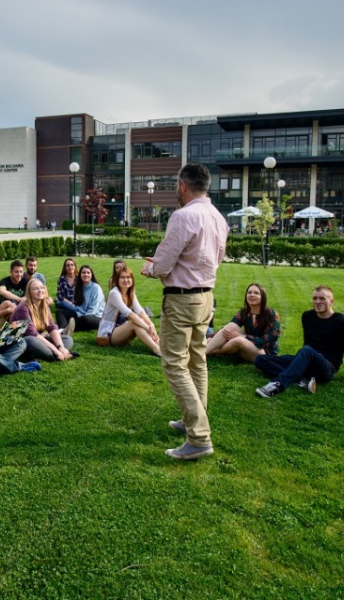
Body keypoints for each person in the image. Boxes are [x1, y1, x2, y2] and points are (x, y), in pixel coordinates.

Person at [140, 163, 228, 461]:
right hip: (206, 297)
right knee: (196, 362)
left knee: (175, 364)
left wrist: (151, 268)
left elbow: (163, 265)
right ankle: (194, 419)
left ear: (182, 186)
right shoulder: (218, 218)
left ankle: (199, 436)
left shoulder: (183, 216)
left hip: (181, 299)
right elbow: (216, 259)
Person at [254, 285, 344, 397]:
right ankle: (302, 380)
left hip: (326, 368)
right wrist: (300, 362)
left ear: (331, 301)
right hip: (307, 358)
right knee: (261, 359)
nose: (317, 302)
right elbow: (308, 342)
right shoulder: (307, 316)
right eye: (315, 298)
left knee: (307, 350)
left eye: (322, 299)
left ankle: (278, 385)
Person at [206, 283, 280, 362]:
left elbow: (266, 341)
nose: (252, 295)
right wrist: (212, 337)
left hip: (265, 353)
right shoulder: (244, 312)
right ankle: (205, 351)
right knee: (231, 326)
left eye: (256, 293)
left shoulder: (271, 314)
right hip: (247, 345)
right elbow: (228, 328)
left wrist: (242, 336)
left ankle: (210, 351)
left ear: (263, 297)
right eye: (249, 292)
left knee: (239, 340)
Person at [99, 267, 160, 356]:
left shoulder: (130, 292)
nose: (126, 280)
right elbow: (129, 314)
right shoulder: (114, 293)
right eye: (122, 277)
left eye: (128, 277)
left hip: (121, 331)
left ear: (132, 280)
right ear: (117, 280)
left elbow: (140, 311)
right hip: (107, 334)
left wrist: (151, 324)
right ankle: (157, 350)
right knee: (135, 323)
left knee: (141, 320)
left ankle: (159, 344)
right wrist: (148, 328)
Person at [10, 279, 74, 362]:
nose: (40, 290)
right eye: (35, 289)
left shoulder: (44, 306)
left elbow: (51, 327)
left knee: (68, 339)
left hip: (38, 338)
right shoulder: (23, 308)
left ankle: (46, 353)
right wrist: (56, 350)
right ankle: (53, 354)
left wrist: (60, 346)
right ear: (29, 292)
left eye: (42, 287)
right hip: (21, 341)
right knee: (31, 340)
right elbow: (33, 334)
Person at [56, 265, 105, 332]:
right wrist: (78, 314)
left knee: (85, 319)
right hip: (81, 312)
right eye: (83, 272)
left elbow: (94, 310)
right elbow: (78, 305)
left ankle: (68, 329)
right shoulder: (79, 287)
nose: (86, 274)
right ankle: (62, 329)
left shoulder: (96, 288)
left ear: (91, 275)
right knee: (59, 312)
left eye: (88, 273)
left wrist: (80, 317)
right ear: (80, 275)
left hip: (95, 316)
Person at [55, 258, 78, 328]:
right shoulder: (61, 279)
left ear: (75, 266)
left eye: (72, 265)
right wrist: (71, 304)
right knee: (61, 302)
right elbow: (60, 296)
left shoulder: (79, 279)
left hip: (77, 303)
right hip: (65, 302)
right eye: (68, 265)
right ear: (65, 268)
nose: (70, 267)